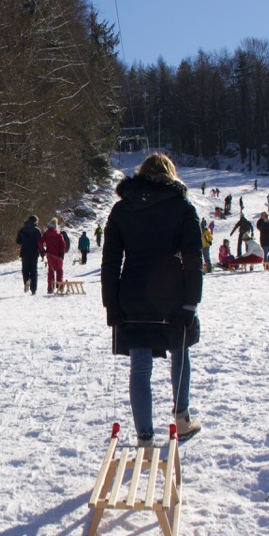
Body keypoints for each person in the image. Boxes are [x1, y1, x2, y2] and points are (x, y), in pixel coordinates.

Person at [101, 153, 203, 446]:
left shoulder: (122, 209)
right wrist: (190, 302)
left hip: (132, 294)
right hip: (171, 292)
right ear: (171, 175)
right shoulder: (182, 207)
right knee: (180, 352)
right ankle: (182, 419)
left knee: (140, 367)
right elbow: (193, 260)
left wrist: (111, 304)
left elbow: (110, 263)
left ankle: (144, 435)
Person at [16, 215, 42, 294]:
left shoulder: (22, 230)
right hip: (34, 252)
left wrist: (24, 242)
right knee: (34, 271)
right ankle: (33, 290)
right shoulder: (37, 230)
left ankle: (27, 280)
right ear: (35, 221)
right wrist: (42, 252)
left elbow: (18, 241)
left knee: (25, 269)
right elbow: (39, 242)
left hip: (24, 252)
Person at [40, 218, 66, 294]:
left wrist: (42, 251)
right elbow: (63, 245)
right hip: (58, 256)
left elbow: (40, 242)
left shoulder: (46, 234)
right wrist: (62, 253)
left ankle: (50, 287)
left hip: (50, 255)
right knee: (59, 270)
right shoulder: (59, 235)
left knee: (51, 271)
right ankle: (60, 285)